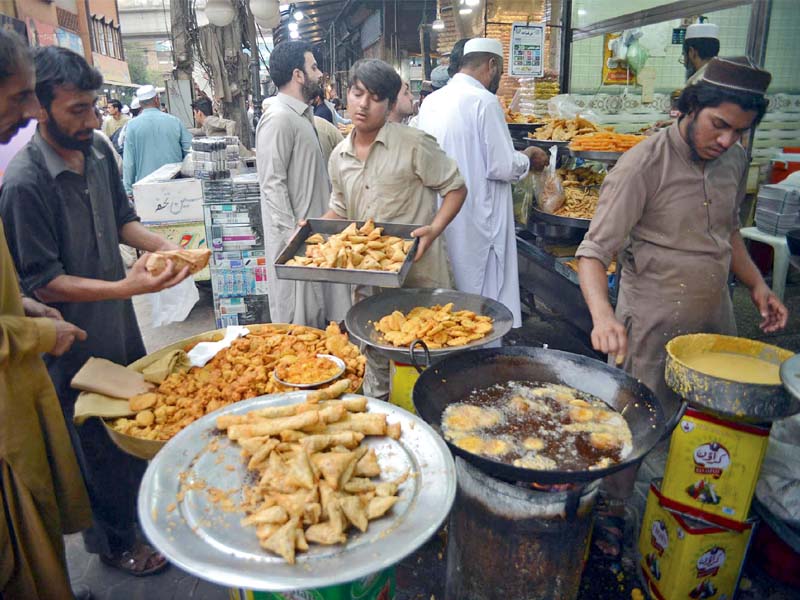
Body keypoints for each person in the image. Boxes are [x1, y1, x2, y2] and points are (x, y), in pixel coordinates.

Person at [575, 56, 788, 561]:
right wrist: (604, 319)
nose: (727, 140)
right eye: (720, 125)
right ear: (691, 107)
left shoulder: (733, 160)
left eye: (740, 131)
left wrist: (757, 284)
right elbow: (592, 252)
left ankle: (704, 498)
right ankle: (612, 509)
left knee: (721, 414)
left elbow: (728, 232)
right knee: (635, 419)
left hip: (714, 314)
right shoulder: (643, 164)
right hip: (649, 318)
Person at [0, 46, 191, 578]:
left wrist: (165, 248)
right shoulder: (25, 183)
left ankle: (143, 518)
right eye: (75, 111)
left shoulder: (102, 149)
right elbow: (44, 281)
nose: (90, 120)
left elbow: (125, 218)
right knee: (92, 445)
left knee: (135, 423)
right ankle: (114, 543)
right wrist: (124, 286)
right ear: (41, 107)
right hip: (69, 341)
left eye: (93, 107)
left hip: (120, 328)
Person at [0, 30, 93, 600]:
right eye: (18, 99)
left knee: (41, 524)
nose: (29, 113)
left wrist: (19, 301)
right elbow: (43, 270)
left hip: (25, 373)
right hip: (12, 401)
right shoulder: (23, 181)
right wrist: (36, 325)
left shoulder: (98, 153)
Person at [321, 59, 467, 399]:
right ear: (347, 95)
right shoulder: (339, 156)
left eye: (374, 97)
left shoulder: (414, 144)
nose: (363, 104)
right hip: (369, 284)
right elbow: (340, 210)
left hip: (419, 279)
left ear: (388, 106)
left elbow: (456, 188)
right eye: (357, 94)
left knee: (425, 367)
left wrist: (434, 227)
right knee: (375, 361)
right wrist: (311, 230)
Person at [417, 38, 547, 329]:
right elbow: (501, 165)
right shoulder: (484, 102)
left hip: (442, 217)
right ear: (492, 65)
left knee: (450, 307)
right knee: (483, 308)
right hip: (478, 220)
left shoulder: (433, 101)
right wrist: (527, 157)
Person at [256, 41, 350, 328]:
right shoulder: (278, 119)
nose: (319, 74)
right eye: (313, 67)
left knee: (327, 324)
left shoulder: (302, 116)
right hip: (297, 248)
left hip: (315, 242)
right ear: (298, 75)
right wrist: (293, 241)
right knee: (301, 332)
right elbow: (272, 185)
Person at [122, 84, 192, 194]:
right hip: (174, 184)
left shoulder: (131, 126)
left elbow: (129, 162)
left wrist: (128, 190)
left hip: (145, 187)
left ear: (140, 104)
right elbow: (190, 151)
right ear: (156, 100)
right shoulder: (174, 121)